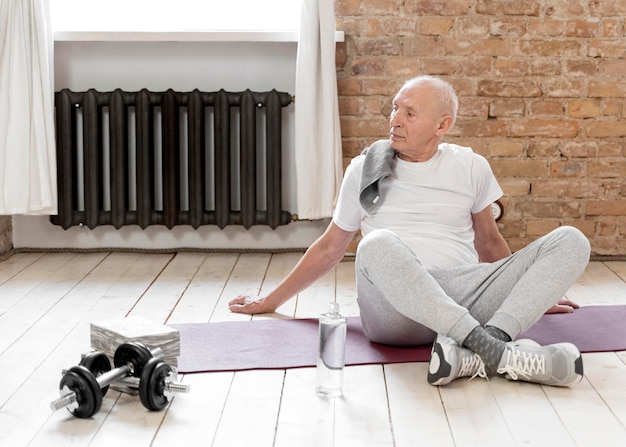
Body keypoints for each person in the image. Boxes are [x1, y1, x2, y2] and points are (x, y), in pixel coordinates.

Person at [229, 75, 591, 387]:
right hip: (396, 312)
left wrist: (529, 290)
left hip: (462, 295)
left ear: (442, 125)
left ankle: (483, 348)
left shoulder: (470, 166)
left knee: (572, 239)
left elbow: (488, 241)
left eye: (409, 113)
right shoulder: (363, 169)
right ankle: (493, 348)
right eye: (394, 108)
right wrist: (269, 302)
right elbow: (330, 248)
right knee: (377, 243)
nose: (395, 120)